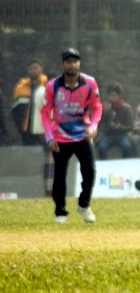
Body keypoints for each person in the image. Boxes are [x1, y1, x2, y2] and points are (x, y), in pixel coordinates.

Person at [41, 48, 103, 224]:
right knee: (59, 175)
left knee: (89, 172)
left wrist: (93, 126)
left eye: (75, 61)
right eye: (69, 61)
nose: (72, 64)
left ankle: (84, 206)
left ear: (79, 63)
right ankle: (60, 212)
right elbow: (45, 113)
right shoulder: (53, 86)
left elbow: (97, 108)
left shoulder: (90, 83)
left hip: (83, 136)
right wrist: (49, 137)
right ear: (63, 64)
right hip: (60, 138)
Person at [11, 59, 53, 195]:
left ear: (41, 68)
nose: (33, 70)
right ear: (28, 70)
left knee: (48, 156)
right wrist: (20, 127)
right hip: (27, 129)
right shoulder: (21, 87)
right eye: (31, 68)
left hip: (44, 128)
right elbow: (15, 110)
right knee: (30, 156)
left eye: (36, 68)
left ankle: (48, 188)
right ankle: (30, 189)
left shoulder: (49, 84)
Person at [96, 83, 135, 159]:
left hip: (122, 135)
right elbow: (100, 124)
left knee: (127, 147)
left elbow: (130, 126)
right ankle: (105, 166)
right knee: (101, 147)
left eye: (114, 96)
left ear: (120, 96)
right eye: (109, 95)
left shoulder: (126, 108)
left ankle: (125, 165)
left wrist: (120, 127)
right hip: (109, 135)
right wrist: (103, 113)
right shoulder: (107, 107)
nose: (111, 98)